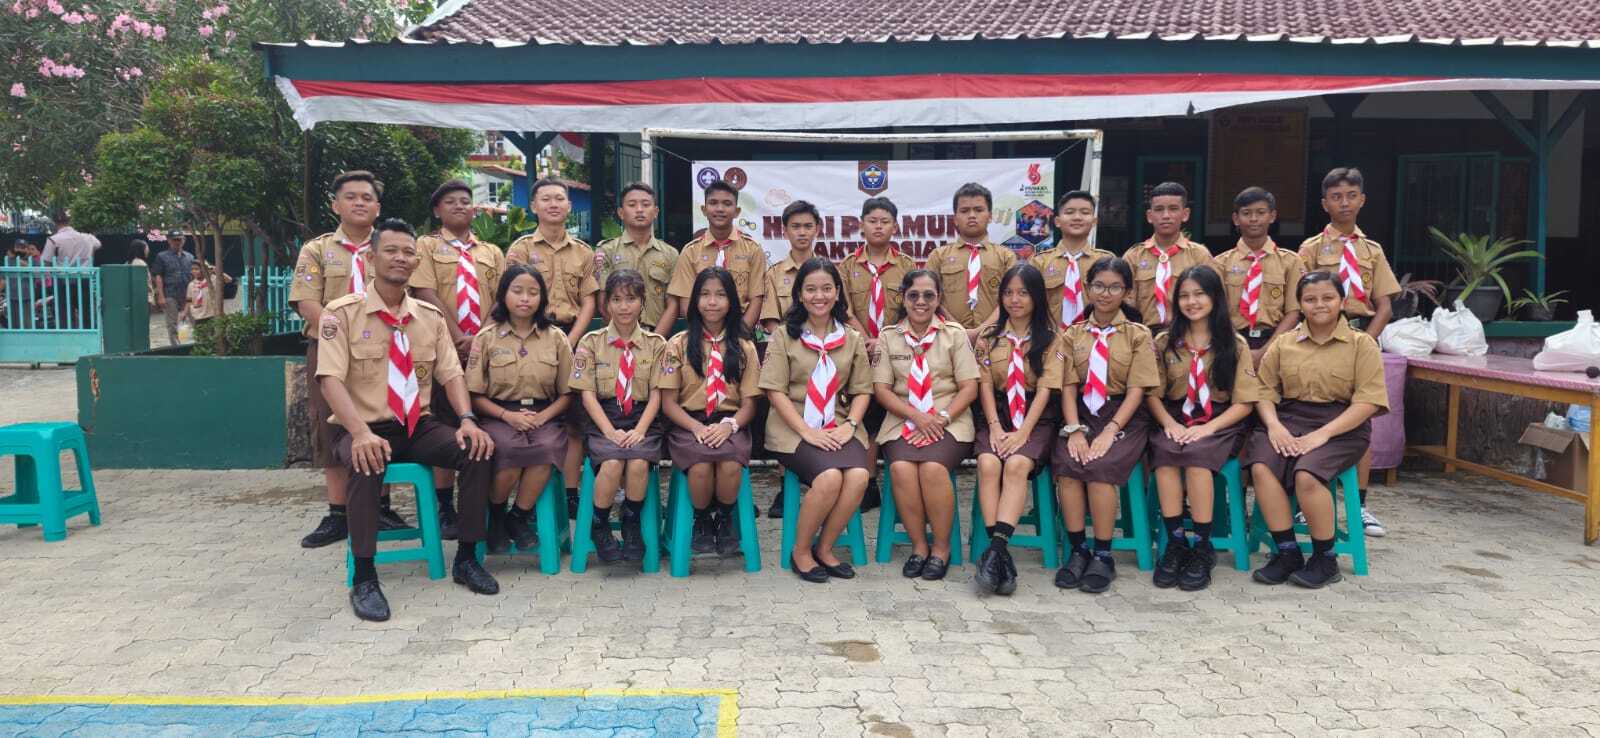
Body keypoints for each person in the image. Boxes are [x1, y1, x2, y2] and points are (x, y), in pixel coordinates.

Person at [315, 218, 499, 622]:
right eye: (391, 251)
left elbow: (451, 373)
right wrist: (359, 432)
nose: (400, 258)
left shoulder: (429, 317)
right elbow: (329, 380)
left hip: (417, 426)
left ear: (416, 262)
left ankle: (467, 557)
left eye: (408, 252)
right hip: (363, 426)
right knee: (366, 461)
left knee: (478, 449)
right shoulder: (341, 313)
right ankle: (365, 576)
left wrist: (467, 419)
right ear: (371, 258)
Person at [1242, 271, 1388, 588]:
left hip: (1343, 425)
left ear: (1342, 302)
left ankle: (1325, 559)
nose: (1319, 305)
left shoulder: (1361, 344)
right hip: (1288, 419)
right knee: (1262, 466)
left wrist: (1323, 434)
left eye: (1327, 298)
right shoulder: (1284, 343)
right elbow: (1263, 390)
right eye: (1310, 299)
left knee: (1306, 474)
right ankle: (1287, 551)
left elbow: (1368, 402)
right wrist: (1274, 426)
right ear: (1300, 305)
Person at [292, 171, 408, 548]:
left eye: (367, 198)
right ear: (335, 204)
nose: (359, 203)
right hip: (331, 350)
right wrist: (340, 335)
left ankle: (382, 507)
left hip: (384, 350)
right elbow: (307, 301)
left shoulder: (389, 248)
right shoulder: (318, 250)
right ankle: (338, 513)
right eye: (351, 197)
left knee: (383, 421)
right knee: (331, 427)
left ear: (378, 207)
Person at [1297, 167, 1401, 537]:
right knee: (1313, 412)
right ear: (1324, 203)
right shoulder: (1310, 249)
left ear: (1362, 200)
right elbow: (1301, 301)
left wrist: (1366, 343)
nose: (1344, 203)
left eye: (1351, 195)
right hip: (1320, 338)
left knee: (1361, 419)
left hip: (1361, 336)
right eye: (1336, 197)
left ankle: (1360, 505)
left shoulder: (1372, 250)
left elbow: (1384, 305)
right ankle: (1307, 504)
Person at [1144, 265, 1261, 591]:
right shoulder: (1165, 341)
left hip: (1220, 421)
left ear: (1215, 298)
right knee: (1165, 457)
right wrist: (1169, 424)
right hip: (1175, 416)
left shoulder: (1234, 345)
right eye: (1184, 296)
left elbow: (1245, 403)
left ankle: (1202, 545)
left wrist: (1208, 429)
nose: (1191, 302)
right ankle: (1175, 542)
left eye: (1199, 294)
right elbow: (1152, 394)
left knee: (1196, 460)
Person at [760, 258, 874, 584]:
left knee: (858, 476)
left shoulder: (851, 338)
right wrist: (806, 432)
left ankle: (824, 547)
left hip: (838, 424)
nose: (819, 296)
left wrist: (850, 425)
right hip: (793, 427)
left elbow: (862, 390)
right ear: (799, 294)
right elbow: (774, 391)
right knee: (829, 478)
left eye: (826, 289)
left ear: (837, 292)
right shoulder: (784, 336)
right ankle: (800, 551)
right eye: (810, 289)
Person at [1053, 257, 1160, 594]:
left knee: (1100, 467)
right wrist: (1074, 430)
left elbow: (1137, 390)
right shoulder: (1072, 335)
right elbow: (1068, 386)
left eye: (1114, 287)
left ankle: (1103, 554)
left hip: (1123, 414)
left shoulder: (1138, 335)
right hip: (1081, 412)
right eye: (1098, 285)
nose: (1105, 293)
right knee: (1069, 466)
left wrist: (1111, 431)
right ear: (1087, 288)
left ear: (1127, 292)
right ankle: (1078, 550)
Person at [408, 179, 507, 540]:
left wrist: (480, 336)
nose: (459, 206)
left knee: (486, 421)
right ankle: (444, 505)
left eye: (465, 201)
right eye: (450, 201)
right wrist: (456, 336)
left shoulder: (491, 252)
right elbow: (424, 291)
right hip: (441, 349)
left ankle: (486, 504)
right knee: (446, 423)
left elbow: (503, 296)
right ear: (437, 210)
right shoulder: (426, 246)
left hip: (486, 349)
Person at [871, 269, 980, 582]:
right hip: (902, 418)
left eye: (929, 295)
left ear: (939, 298)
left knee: (932, 468)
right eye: (914, 295)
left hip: (950, 419)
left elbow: (969, 388)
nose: (921, 301)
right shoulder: (889, 336)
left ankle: (941, 548)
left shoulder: (954, 335)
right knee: (901, 468)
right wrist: (917, 417)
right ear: (903, 299)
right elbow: (882, 390)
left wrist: (940, 418)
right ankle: (919, 546)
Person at [506, 178, 599, 521]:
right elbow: (513, 297)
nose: (554, 204)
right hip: (531, 338)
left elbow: (589, 302)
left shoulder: (583, 252)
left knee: (574, 420)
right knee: (531, 413)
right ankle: (528, 498)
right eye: (546, 199)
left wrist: (570, 341)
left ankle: (571, 494)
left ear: (569, 206)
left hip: (572, 337)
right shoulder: (520, 250)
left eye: (560, 198)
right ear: (533, 206)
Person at [466, 264, 574, 555]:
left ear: (542, 298)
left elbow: (568, 393)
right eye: (517, 291)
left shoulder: (556, 337)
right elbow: (474, 394)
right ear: (504, 295)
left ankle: (518, 517)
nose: (525, 298)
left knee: (547, 448)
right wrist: (507, 416)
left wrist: (543, 416)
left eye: (533, 292)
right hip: (498, 414)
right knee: (508, 451)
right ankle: (497, 515)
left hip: (545, 414)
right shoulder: (486, 338)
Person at [656, 267, 761, 558]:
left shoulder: (744, 347)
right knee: (700, 465)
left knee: (729, 464)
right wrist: (696, 428)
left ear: (732, 302)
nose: (712, 302)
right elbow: (668, 403)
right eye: (704, 294)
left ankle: (725, 519)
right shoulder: (677, 345)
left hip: (730, 422)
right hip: (689, 422)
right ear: (694, 301)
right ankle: (701, 520)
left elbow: (750, 404)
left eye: (720, 295)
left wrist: (730, 426)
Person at [973, 263, 1062, 594]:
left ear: (1037, 296)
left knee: (1017, 464)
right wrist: (995, 427)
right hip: (997, 414)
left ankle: (995, 552)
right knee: (987, 462)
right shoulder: (988, 338)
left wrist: (1024, 433)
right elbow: (984, 385)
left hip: (1035, 418)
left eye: (1023, 293)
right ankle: (1000, 555)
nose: (1015, 299)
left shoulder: (1052, 339)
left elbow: (1046, 390)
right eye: (1008, 293)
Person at [572, 269, 667, 566]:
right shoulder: (591, 342)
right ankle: (599, 524)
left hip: (642, 418)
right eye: (616, 300)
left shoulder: (656, 344)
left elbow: (657, 394)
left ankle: (631, 521)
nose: (624, 307)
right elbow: (587, 395)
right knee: (612, 464)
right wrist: (609, 431)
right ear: (606, 305)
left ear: (642, 302)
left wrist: (640, 430)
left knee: (638, 463)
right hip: (605, 417)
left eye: (631, 299)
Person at [838, 196, 915, 514]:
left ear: (895, 226)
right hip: (858, 350)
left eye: (885, 221)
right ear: (861, 225)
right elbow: (843, 309)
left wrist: (886, 340)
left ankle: (898, 480)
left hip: (898, 350)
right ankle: (867, 483)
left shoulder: (907, 265)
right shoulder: (846, 266)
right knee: (864, 413)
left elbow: (914, 307)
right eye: (872, 221)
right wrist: (867, 340)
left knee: (894, 410)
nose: (878, 226)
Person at [1213, 187, 1306, 364]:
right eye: (1246, 213)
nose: (1254, 219)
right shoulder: (1220, 264)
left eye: (1261, 212)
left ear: (1272, 216)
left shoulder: (1291, 262)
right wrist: (1237, 347)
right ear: (1236, 219)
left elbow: (1293, 312)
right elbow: (1219, 312)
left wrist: (1266, 350)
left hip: (1276, 343)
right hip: (1232, 343)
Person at [666, 180, 766, 330]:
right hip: (700, 333)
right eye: (713, 203)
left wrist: (739, 335)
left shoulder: (753, 250)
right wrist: (705, 336)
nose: (720, 209)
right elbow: (686, 302)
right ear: (704, 210)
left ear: (737, 211)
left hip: (741, 331)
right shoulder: (690, 252)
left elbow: (757, 299)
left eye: (727, 204)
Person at [922, 183, 1017, 333]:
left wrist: (981, 330)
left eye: (979, 210)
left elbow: (1012, 298)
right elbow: (929, 296)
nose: (972, 215)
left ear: (990, 216)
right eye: (964, 211)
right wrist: (959, 330)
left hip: (995, 336)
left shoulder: (1006, 256)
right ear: (955, 218)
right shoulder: (938, 256)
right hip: (948, 336)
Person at [1120, 182, 1213, 330]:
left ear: (1185, 214)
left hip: (1186, 333)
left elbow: (1211, 299)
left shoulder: (1199, 255)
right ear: (1149, 216)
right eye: (1159, 209)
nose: (1166, 216)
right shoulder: (1134, 256)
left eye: (1173, 209)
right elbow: (1125, 302)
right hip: (1144, 334)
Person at [595, 182, 679, 336]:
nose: (639, 210)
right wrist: (627, 339)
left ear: (656, 212)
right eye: (632, 205)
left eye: (646, 204)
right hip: (617, 338)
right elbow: (603, 302)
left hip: (657, 336)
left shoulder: (670, 254)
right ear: (621, 213)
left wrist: (653, 341)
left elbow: (673, 305)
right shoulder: (607, 251)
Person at [1032, 190, 1115, 331]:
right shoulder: (1039, 262)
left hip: (1095, 337)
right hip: (1050, 338)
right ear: (1057, 221)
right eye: (1069, 212)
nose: (1077, 217)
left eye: (1085, 212)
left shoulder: (1107, 261)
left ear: (1094, 222)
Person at [758, 200, 826, 336]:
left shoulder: (829, 272)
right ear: (785, 231)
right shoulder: (774, 274)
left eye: (808, 226)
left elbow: (840, 316)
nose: (802, 232)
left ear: (817, 230)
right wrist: (790, 343)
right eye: (796, 227)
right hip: (788, 343)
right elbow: (771, 321)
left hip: (825, 343)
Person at [152, 230, 195, 347]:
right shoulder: (162, 256)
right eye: (175, 239)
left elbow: (193, 275)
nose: (177, 242)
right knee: (172, 324)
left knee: (195, 318)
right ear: (169, 240)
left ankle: (201, 344)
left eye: (180, 239)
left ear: (184, 240)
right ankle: (176, 347)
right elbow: (158, 276)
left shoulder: (190, 257)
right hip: (170, 294)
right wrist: (160, 296)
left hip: (188, 294)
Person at [183, 261, 226, 327]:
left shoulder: (213, 280)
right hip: (198, 316)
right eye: (192, 269)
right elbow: (189, 301)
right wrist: (184, 313)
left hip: (212, 314)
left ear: (204, 269)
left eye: (196, 269)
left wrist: (216, 270)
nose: (194, 271)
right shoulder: (191, 285)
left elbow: (229, 279)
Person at [127, 239, 155, 312]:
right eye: (146, 248)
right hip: (143, 299)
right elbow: (143, 283)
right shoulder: (140, 263)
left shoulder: (130, 262)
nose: (148, 251)